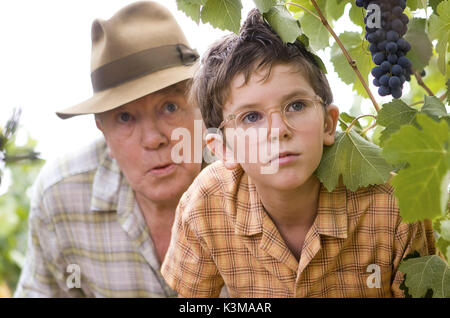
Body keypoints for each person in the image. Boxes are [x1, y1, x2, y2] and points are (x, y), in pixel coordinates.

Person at [160, 9, 436, 298]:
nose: (279, 130)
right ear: (223, 149)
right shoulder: (205, 206)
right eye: (251, 117)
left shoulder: (394, 207)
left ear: (329, 124)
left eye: (296, 105)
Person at [15, 1, 203, 297]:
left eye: (169, 107)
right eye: (125, 117)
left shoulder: (254, 177)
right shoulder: (61, 198)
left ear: (201, 106)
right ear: (102, 130)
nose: (153, 139)